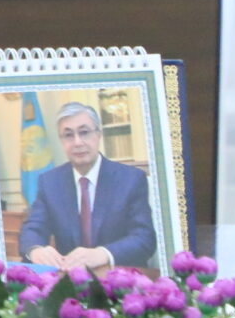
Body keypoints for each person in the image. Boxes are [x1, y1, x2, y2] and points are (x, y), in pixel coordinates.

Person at [17, 101, 158, 271]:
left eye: (84, 132)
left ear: (98, 134)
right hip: (70, 279)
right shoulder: (50, 182)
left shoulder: (131, 179)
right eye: (68, 135)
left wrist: (103, 253)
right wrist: (36, 250)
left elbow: (144, 238)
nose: (77, 142)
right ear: (61, 140)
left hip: (120, 278)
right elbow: (32, 229)